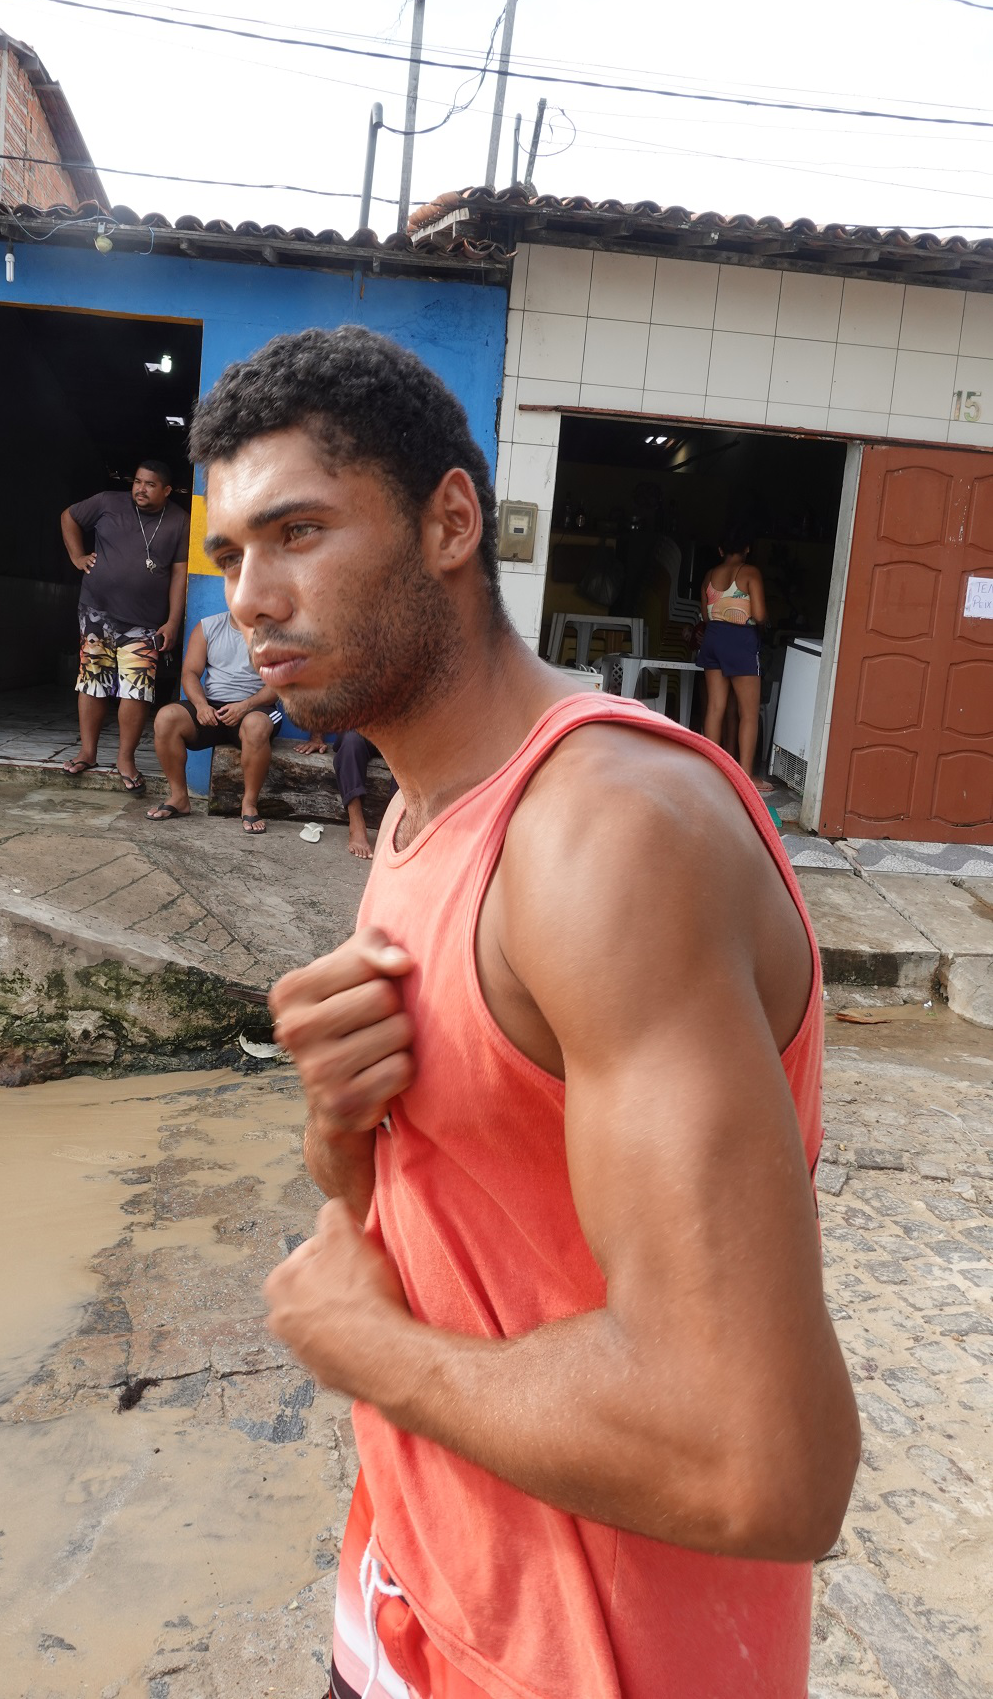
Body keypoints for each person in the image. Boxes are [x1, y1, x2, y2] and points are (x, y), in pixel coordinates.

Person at [191, 326, 859, 1699]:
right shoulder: (415, 813)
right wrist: (337, 1119)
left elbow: (761, 1460)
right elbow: (430, 1201)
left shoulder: (608, 837)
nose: (253, 597)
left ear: (450, 519)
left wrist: (368, 1349)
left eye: (297, 530)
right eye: (229, 556)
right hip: (408, 1608)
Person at [60, 461, 189, 794]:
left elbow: (179, 574)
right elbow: (69, 517)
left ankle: (125, 759)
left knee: (137, 688)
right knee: (92, 680)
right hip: (96, 612)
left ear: (166, 491)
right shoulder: (106, 502)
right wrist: (77, 556)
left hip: (145, 621)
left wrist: (173, 620)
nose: (140, 489)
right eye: (137, 481)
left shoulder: (178, 521)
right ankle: (88, 752)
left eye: (149, 484)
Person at [146, 610, 282, 832]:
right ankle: (179, 798)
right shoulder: (208, 627)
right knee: (166, 718)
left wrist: (245, 706)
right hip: (211, 707)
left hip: (256, 707)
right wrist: (201, 705)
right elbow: (190, 672)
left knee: (255, 726)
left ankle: (249, 804)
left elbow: (278, 685)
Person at [697, 522, 772, 793]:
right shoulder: (750, 572)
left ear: (720, 550)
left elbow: (705, 615)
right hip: (740, 641)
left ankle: (711, 771)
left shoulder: (709, 575)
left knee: (714, 708)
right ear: (748, 549)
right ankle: (747, 777)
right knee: (749, 713)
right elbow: (760, 615)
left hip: (713, 638)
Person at [293, 731, 390, 859]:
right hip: (364, 728)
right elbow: (324, 709)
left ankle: (393, 829)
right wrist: (316, 737)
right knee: (351, 740)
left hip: (401, 733)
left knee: (413, 752)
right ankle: (356, 824)